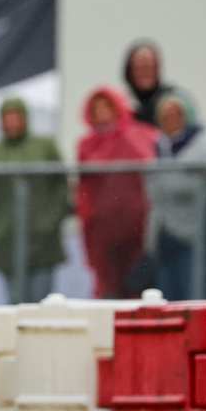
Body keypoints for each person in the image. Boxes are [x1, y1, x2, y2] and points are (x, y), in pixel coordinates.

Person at [0, 97, 67, 303]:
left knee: (42, 302)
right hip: (7, 237)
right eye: (6, 117)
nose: (11, 122)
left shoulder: (44, 146)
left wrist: (51, 220)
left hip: (43, 237)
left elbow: (61, 186)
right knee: (15, 302)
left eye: (15, 116)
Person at [75, 85, 156, 299]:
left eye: (106, 107)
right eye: (97, 108)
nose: (102, 112)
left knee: (136, 285)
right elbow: (84, 188)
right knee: (109, 286)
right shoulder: (87, 145)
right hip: (102, 229)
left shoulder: (139, 135)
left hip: (136, 227)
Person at [145, 91, 206, 301]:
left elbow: (181, 185)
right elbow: (154, 192)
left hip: (192, 234)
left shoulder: (205, 143)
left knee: (191, 295)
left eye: (176, 114)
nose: (171, 119)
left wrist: (167, 176)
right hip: (163, 232)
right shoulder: (159, 146)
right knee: (166, 297)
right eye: (165, 115)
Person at [122, 39, 176, 128]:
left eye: (149, 67)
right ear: (130, 71)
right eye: (139, 68)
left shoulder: (173, 100)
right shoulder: (121, 103)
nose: (145, 73)